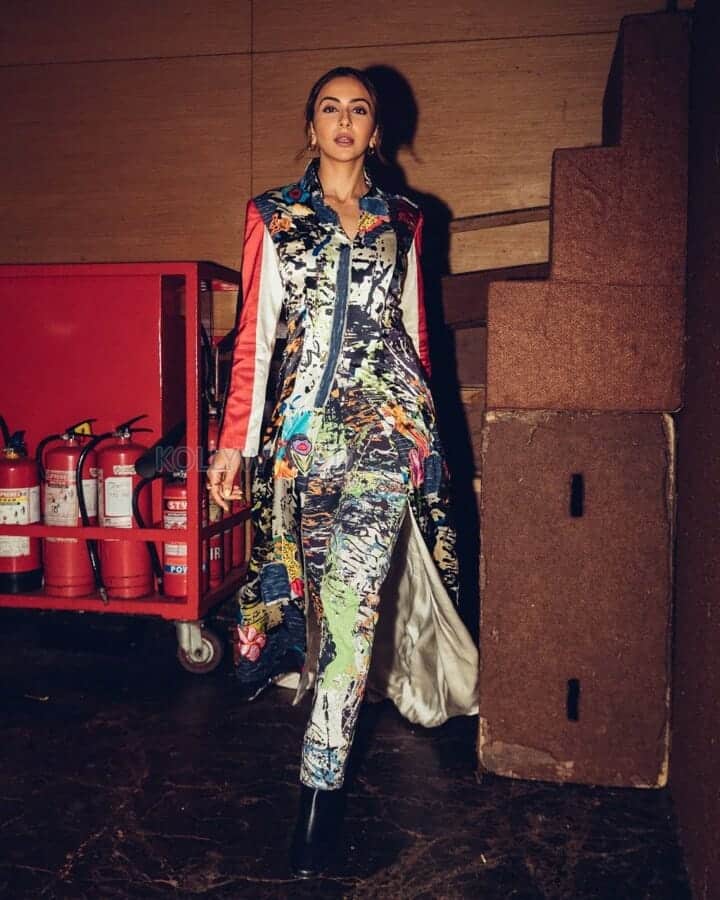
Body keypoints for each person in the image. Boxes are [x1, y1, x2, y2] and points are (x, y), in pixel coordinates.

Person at [207, 66, 478, 878]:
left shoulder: (407, 218)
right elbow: (255, 337)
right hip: (308, 439)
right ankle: (326, 756)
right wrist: (233, 443)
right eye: (330, 107)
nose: (345, 119)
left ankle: (317, 798)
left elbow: (416, 332)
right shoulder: (274, 216)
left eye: (360, 108)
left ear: (377, 129)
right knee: (331, 618)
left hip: (390, 429)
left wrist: (431, 439)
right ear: (312, 126)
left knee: (355, 603)